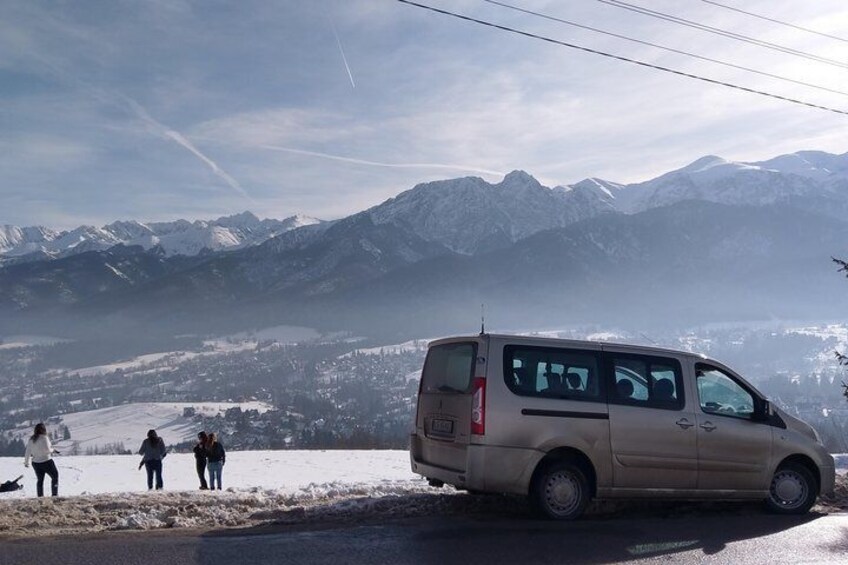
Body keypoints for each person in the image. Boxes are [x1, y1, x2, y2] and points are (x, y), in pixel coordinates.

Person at [23, 423, 60, 497]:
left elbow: (27, 451)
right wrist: (53, 450)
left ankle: (40, 497)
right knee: (55, 476)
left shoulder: (32, 439)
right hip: (46, 461)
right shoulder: (44, 438)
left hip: (36, 463)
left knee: (40, 480)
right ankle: (54, 495)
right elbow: (47, 450)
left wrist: (26, 462)